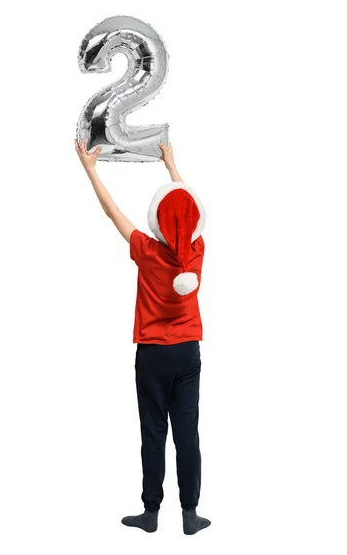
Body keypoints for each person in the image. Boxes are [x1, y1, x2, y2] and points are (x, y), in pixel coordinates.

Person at [74, 139, 211, 535]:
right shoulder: (197, 250)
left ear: (156, 220)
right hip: (187, 353)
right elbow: (190, 212)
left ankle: (151, 513)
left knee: (153, 432)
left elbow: (112, 212)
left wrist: (91, 170)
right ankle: (190, 513)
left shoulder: (147, 250)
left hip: (152, 354)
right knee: (187, 433)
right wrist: (172, 165)